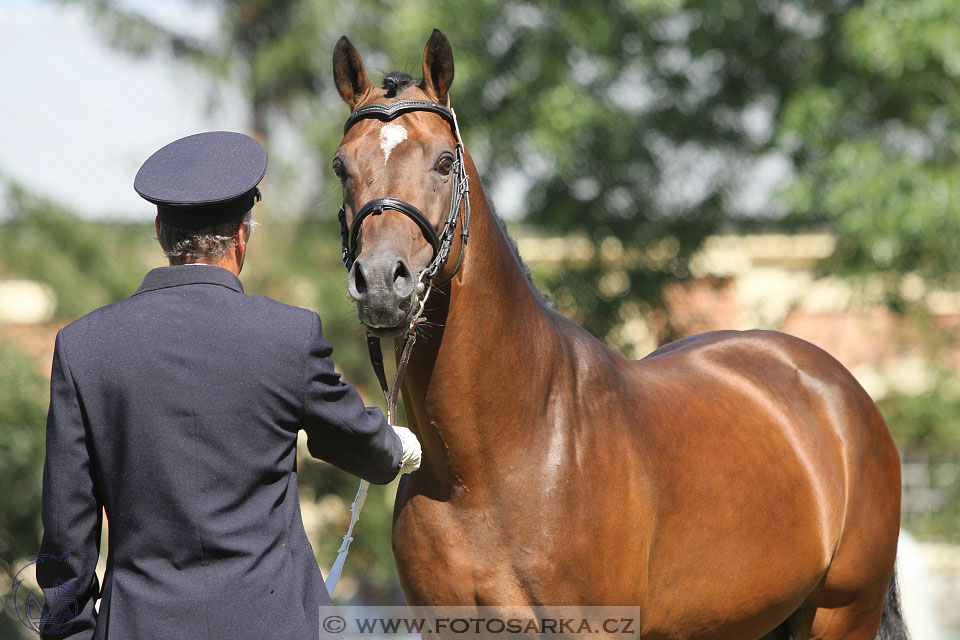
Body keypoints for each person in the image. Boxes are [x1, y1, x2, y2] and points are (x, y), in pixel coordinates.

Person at [37, 131, 421, 640]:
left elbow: (67, 536)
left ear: (159, 230)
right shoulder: (288, 335)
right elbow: (360, 446)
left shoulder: (84, 346)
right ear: (242, 236)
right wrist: (399, 447)